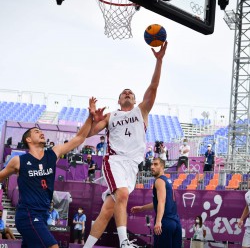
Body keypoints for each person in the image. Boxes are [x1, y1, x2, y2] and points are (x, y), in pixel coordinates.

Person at [83, 41, 167, 248]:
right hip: (115, 160)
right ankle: (124, 243)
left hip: (132, 166)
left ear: (136, 99)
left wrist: (159, 61)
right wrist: (92, 117)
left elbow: (153, 87)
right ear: (119, 101)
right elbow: (89, 133)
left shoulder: (142, 111)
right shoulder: (111, 116)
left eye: (130, 93)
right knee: (121, 194)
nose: (127, 94)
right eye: (124, 93)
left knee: (108, 210)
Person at [0, 97, 97, 248]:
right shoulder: (19, 161)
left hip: (43, 214)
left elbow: (79, 138)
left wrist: (90, 116)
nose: (41, 133)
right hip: (28, 215)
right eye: (36, 132)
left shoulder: (53, 154)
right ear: (29, 140)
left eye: (41, 131)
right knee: (53, 246)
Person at [131, 158, 182, 248]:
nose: (152, 167)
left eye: (155, 164)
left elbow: (161, 202)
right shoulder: (168, 181)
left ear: (162, 167)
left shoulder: (159, 181)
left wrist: (158, 222)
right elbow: (159, 202)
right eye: (151, 164)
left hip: (165, 222)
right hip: (176, 223)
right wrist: (142, 208)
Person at [237, 178, 250, 248]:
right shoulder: (247, 195)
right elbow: (247, 207)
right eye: (249, 180)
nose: (249, 182)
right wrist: (241, 219)